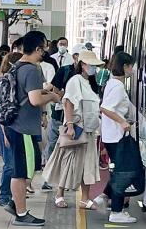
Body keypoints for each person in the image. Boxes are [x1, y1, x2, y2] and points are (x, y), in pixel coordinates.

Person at [2, 31, 60, 226]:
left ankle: (15, 203)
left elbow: (28, 93)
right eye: (44, 48)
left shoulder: (17, 66)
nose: (45, 52)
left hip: (16, 126)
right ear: (37, 49)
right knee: (21, 172)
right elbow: (35, 100)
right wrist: (52, 97)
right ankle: (21, 214)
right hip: (23, 128)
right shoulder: (32, 70)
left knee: (25, 167)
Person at [42, 50, 103, 210]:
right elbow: (68, 102)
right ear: (82, 65)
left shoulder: (91, 83)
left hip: (89, 131)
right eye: (91, 65)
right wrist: (69, 126)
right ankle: (59, 194)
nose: (93, 68)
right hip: (76, 129)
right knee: (68, 162)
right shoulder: (75, 80)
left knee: (88, 164)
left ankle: (84, 199)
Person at [94, 52, 144, 224]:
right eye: (131, 66)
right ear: (124, 67)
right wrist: (122, 122)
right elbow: (105, 108)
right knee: (125, 173)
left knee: (120, 171)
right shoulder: (118, 87)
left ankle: (103, 197)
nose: (133, 69)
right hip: (118, 137)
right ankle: (116, 211)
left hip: (111, 136)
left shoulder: (112, 83)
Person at [0, 52, 23, 207]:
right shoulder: (4, 83)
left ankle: (13, 195)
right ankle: (4, 195)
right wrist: (5, 133)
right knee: (10, 164)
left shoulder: (16, 82)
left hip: (16, 127)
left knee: (16, 164)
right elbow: (1, 111)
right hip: (5, 127)